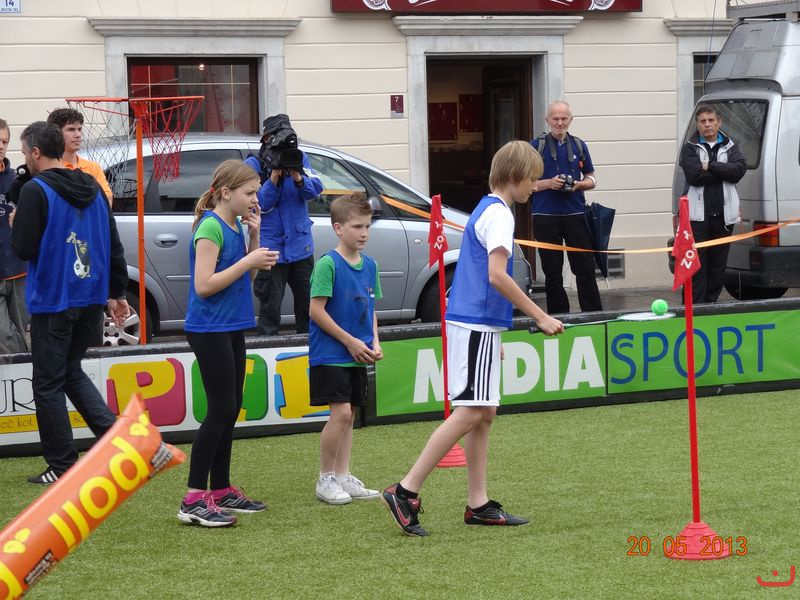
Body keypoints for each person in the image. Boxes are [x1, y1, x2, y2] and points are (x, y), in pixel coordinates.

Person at [382, 141, 564, 536]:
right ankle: (405, 490)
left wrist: (496, 333)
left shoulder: (486, 208)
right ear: (515, 177)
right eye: (532, 179)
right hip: (474, 324)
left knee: (484, 412)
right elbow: (497, 276)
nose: (535, 186)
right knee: (469, 412)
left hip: (478, 325)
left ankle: (478, 503)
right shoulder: (500, 215)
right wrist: (540, 315)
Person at [10, 121, 130, 485]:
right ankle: (119, 441)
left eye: (24, 152)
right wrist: (118, 293)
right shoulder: (93, 185)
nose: (23, 159)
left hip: (54, 298)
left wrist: (16, 222)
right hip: (90, 296)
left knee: (47, 383)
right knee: (70, 371)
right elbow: (113, 243)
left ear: (35, 152)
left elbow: (23, 248)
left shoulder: (36, 190)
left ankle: (62, 466)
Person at [178, 160, 279, 527]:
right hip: (209, 328)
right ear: (225, 193)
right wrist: (249, 258)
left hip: (232, 325)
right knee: (221, 408)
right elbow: (204, 285)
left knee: (231, 407)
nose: (255, 200)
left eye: (255, 193)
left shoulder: (236, 225)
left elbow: (244, 279)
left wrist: (254, 238)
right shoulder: (210, 227)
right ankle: (193, 499)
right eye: (249, 193)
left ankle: (220, 489)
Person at [309, 193, 383, 505]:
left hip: (357, 355)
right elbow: (316, 311)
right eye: (357, 226)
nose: (364, 233)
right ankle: (325, 478)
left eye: (367, 226)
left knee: (349, 415)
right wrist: (350, 341)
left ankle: (342, 475)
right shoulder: (328, 264)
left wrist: (374, 341)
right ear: (338, 228)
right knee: (339, 413)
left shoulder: (371, 265)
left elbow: (371, 308)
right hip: (330, 354)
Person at [244, 113, 323, 336]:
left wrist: (298, 177)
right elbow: (258, 205)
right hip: (270, 252)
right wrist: (274, 177)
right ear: (266, 139)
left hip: (301, 248)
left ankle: (309, 350)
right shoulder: (254, 165)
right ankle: (268, 351)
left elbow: (316, 189)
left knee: (308, 307)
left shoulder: (299, 158)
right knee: (270, 310)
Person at [530, 100, 603, 314]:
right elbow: (523, 183)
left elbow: (592, 178)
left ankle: (593, 314)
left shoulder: (579, 145)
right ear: (547, 120)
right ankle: (558, 315)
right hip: (545, 215)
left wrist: (580, 185)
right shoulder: (535, 146)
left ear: (571, 120)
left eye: (564, 118)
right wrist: (548, 183)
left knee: (585, 268)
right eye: (556, 119)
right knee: (552, 272)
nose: (560, 123)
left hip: (576, 214)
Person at [679, 104, 746, 304]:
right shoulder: (690, 148)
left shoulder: (731, 146)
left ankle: (710, 306)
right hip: (697, 218)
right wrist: (724, 170)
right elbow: (695, 177)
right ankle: (693, 308)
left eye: (711, 120)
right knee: (696, 266)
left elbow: (738, 171)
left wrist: (710, 166)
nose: (707, 124)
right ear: (697, 124)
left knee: (718, 267)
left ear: (719, 122)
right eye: (703, 121)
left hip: (724, 218)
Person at [0, 118, 30, 354]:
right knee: (3, 335)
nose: (1, 146)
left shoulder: (18, 181)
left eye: (4, 141)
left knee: (25, 332)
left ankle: (27, 371)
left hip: (19, 269)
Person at [47, 108, 113, 206]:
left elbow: (107, 201)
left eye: (79, 129)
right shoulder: (49, 167)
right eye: (71, 129)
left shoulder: (93, 167)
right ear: (56, 133)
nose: (78, 135)